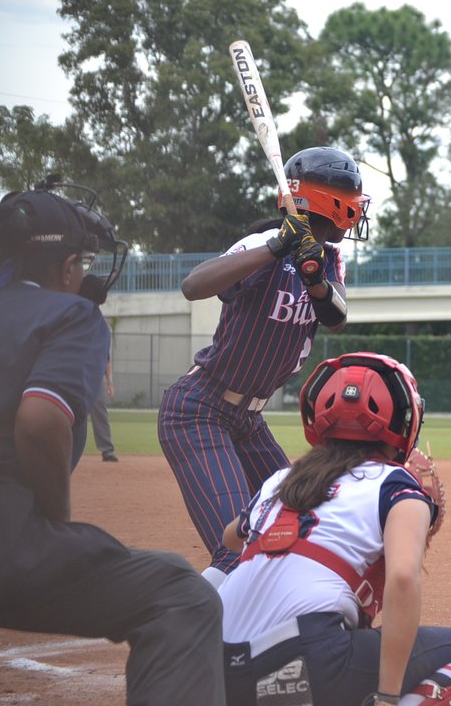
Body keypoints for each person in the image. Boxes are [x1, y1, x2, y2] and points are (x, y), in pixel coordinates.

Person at [0, 178, 225, 705]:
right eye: (84, 262)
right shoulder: (70, 314)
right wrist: (51, 519)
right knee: (178, 593)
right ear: (68, 266)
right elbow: (39, 420)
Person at [216, 352, 451, 706]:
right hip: (303, 661)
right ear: (405, 419)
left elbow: (232, 537)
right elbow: (401, 578)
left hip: (215, 667)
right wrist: (387, 695)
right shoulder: (395, 484)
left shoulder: (282, 479)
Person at [158, 146, 371, 588]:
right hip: (199, 411)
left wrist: (313, 276)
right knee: (238, 547)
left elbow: (337, 316)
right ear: (330, 203)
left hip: (248, 421)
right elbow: (194, 286)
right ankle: (186, 632)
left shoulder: (329, 256)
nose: (356, 210)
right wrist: (277, 247)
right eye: (351, 200)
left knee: (296, 529)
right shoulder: (260, 244)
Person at [92, 352, 119, 461]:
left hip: (96, 378)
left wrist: (110, 383)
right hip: (76, 375)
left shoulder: (101, 335)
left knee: (100, 413)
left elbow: (106, 361)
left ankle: (107, 450)